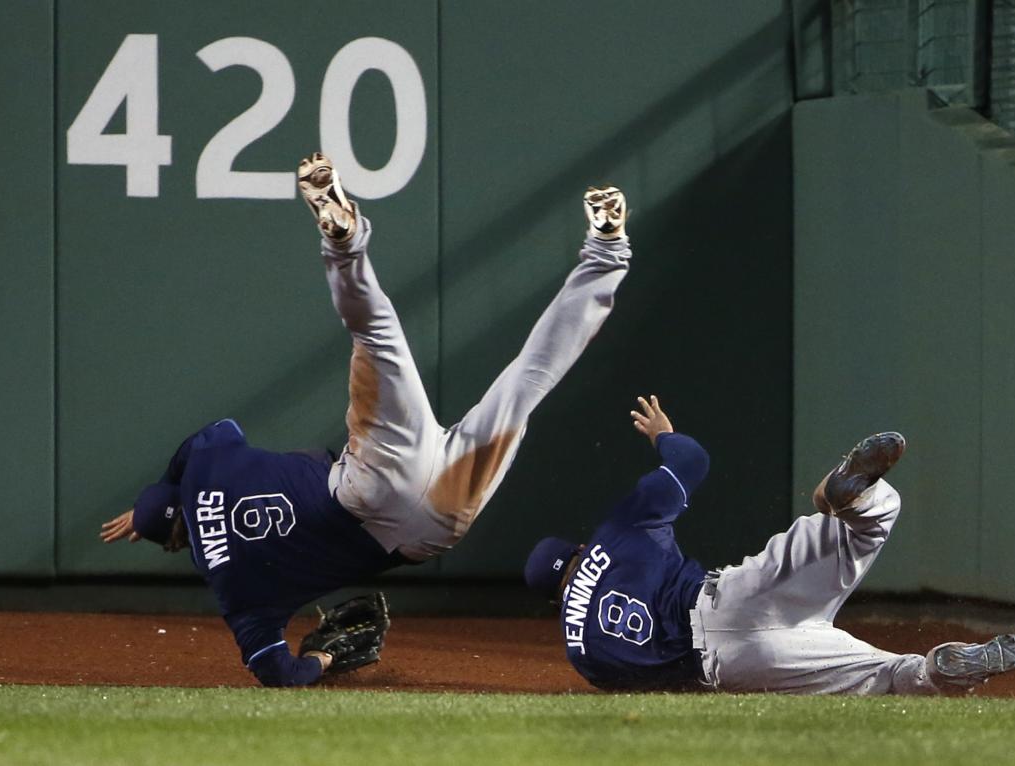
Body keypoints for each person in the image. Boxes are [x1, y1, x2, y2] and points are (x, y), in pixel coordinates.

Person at [100, 153, 634, 687]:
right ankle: (345, 244)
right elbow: (207, 437)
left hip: (433, 523)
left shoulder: (235, 592)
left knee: (527, 385)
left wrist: (323, 660)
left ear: (177, 541)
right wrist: (166, 488)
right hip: (370, 480)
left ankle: (606, 254)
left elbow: (277, 673)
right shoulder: (207, 467)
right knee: (376, 331)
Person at [524, 397, 1015, 694]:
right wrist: (664, 435)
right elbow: (693, 462)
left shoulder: (582, 653)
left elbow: (652, 691)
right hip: (736, 594)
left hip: (733, 661)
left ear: (554, 601)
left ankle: (939, 667)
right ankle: (846, 498)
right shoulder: (615, 533)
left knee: (887, 677)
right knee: (872, 521)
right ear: (578, 548)